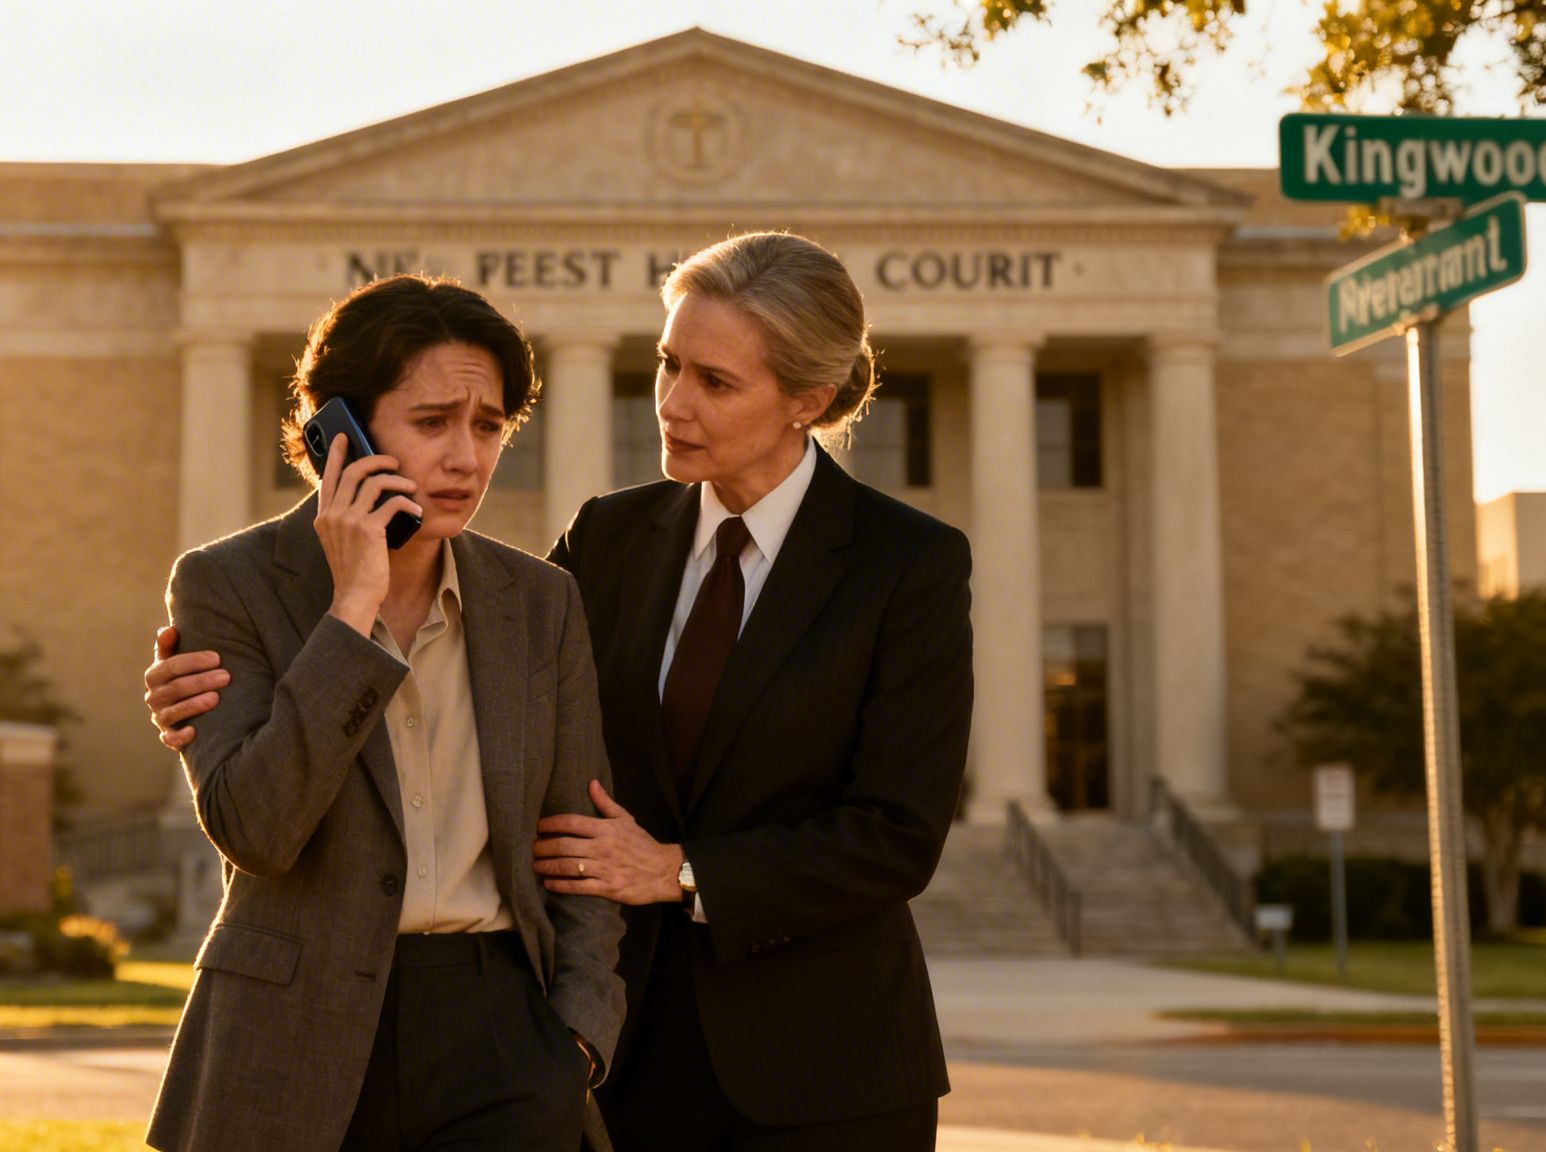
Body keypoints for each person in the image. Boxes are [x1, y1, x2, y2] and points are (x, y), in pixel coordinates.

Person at [149, 233, 972, 1150]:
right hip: (634, 1068)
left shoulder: (909, 564)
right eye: (668, 365)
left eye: (713, 381)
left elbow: (899, 832)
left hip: (827, 1057)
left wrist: (677, 873)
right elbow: (480, 684)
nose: (672, 403)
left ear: (806, 401)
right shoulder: (604, 541)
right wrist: (234, 696)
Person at [143, 274, 624, 1152]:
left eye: (489, 426)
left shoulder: (540, 600)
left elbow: (576, 841)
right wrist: (352, 609)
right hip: (293, 1036)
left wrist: (578, 1037)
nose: (467, 458)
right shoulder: (227, 585)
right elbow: (257, 830)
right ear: (340, 434)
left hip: (504, 1038)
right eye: (433, 422)